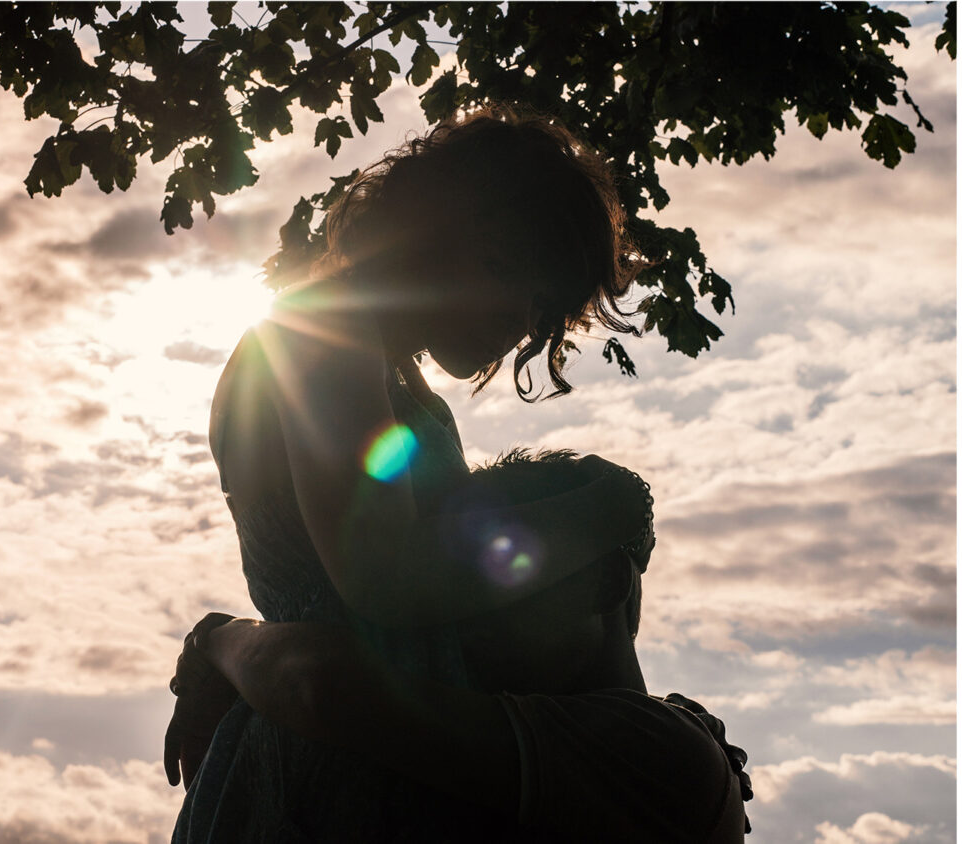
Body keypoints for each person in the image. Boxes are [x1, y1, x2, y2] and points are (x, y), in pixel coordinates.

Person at [174, 106, 658, 842]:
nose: (516, 318)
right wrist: (605, 511)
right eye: (502, 268)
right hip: (346, 766)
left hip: (397, 739)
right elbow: (385, 575)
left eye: (540, 303)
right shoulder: (323, 331)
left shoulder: (394, 378)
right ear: (431, 230)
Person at [167, 450, 753, 842]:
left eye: (503, 577)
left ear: (606, 582)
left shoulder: (662, 756)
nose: (458, 610)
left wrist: (218, 641)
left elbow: (317, 686)